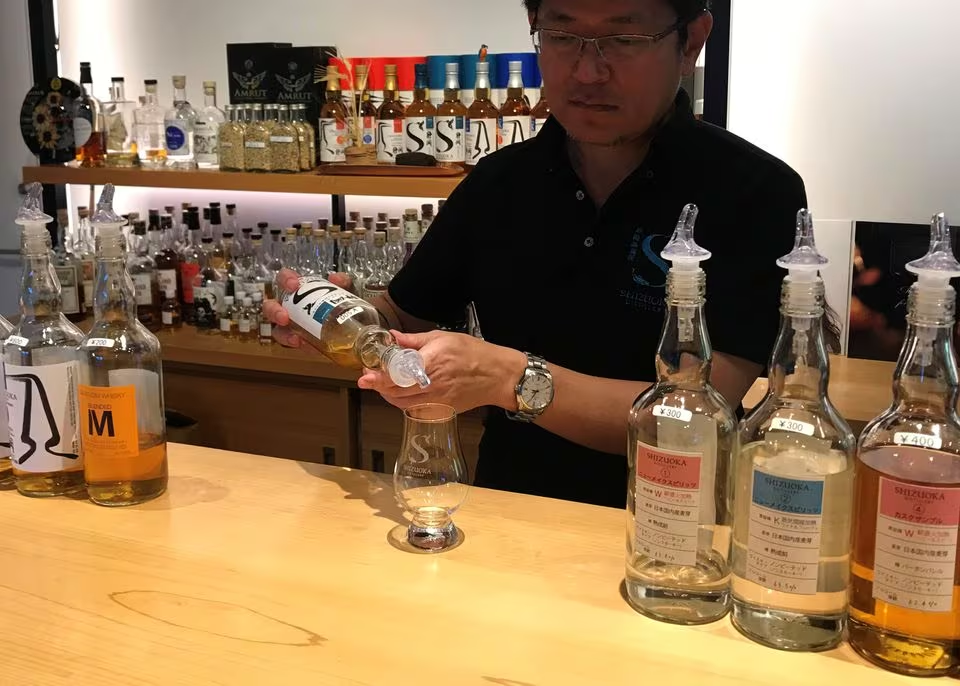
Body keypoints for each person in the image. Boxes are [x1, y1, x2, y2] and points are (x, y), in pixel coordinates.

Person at [265, 0, 810, 509]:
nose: (588, 71)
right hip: (510, 510)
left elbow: (697, 414)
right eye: (562, 35)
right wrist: (335, 319)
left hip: (675, 527)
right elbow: (401, 316)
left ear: (692, 41)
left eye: (624, 37)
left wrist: (509, 378)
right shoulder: (499, 181)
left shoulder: (756, 191)